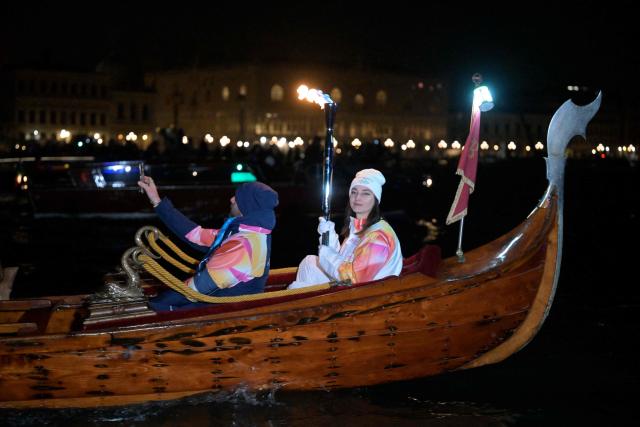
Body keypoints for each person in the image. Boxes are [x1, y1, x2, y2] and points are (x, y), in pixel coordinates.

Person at [138, 176, 279, 311]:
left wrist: (153, 304)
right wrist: (157, 201)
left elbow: (196, 290)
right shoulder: (245, 233)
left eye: (237, 198)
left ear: (247, 206)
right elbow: (196, 235)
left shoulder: (243, 246)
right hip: (219, 303)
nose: (231, 199)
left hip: (223, 313)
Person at [289, 169, 402, 289]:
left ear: (376, 199)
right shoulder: (358, 226)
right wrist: (327, 235)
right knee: (309, 263)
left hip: (366, 295)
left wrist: (326, 253)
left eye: (366, 193)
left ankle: (302, 303)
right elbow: (342, 260)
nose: (358, 198)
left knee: (297, 288)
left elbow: (353, 278)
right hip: (349, 286)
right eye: (354, 192)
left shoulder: (379, 237)